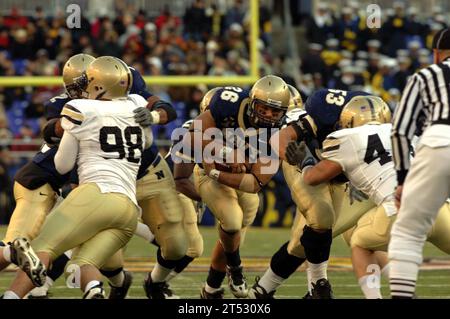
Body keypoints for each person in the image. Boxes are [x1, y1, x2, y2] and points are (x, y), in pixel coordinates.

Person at [1, 56, 148, 299]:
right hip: (128, 206)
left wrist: (73, 130)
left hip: (95, 191)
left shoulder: (80, 109)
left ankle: (13, 295)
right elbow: (149, 140)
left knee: (37, 249)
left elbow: (62, 165)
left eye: (87, 81)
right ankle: (93, 291)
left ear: (98, 84)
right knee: (80, 266)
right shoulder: (135, 106)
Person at [186, 76, 290, 298]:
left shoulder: (281, 133)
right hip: (208, 176)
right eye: (264, 108)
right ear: (252, 103)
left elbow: (254, 184)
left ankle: (211, 288)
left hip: (237, 179)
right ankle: (235, 267)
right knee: (231, 223)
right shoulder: (228, 104)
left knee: (231, 237)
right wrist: (224, 153)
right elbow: (193, 136)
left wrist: (218, 169)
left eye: (275, 112)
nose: (269, 116)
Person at [388, 28, 450, 298]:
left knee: (408, 233)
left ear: (436, 54)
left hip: (440, 141)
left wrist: (403, 180)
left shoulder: (427, 75)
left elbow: (400, 130)